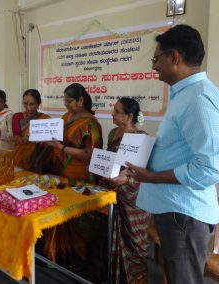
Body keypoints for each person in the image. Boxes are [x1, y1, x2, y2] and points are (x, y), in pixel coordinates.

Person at [121, 25, 219, 284]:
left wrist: (150, 176)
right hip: (177, 213)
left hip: (184, 216)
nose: (154, 66)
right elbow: (181, 150)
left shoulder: (198, 99)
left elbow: (209, 169)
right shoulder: (184, 96)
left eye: (156, 59)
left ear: (175, 57)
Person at [37, 83, 103, 274]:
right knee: (57, 215)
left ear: (81, 100)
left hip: (79, 178)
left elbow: (89, 154)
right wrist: (45, 139)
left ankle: (75, 260)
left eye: (70, 101)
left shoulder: (90, 124)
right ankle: (54, 255)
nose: (66, 105)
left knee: (74, 220)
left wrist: (61, 148)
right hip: (60, 175)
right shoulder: (67, 117)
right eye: (64, 101)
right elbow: (56, 138)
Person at [100, 98, 150, 283]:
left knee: (134, 245)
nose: (112, 114)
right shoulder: (114, 132)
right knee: (109, 234)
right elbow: (110, 158)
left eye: (117, 111)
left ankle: (135, 279)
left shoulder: (141, 137)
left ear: (129, 116)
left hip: (131, 196)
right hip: (111, 189)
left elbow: (144, 171)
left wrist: (126, 178)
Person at [12, 89, 50, 170]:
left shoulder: (45, 119)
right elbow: (16, 138)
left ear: (38, 103)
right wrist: (25, 139)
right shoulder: (17, 116)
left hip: (38, 158)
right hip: (20, 158)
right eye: (25, 103)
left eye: (31, 104)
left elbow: (48, 141)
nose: (28, 107)